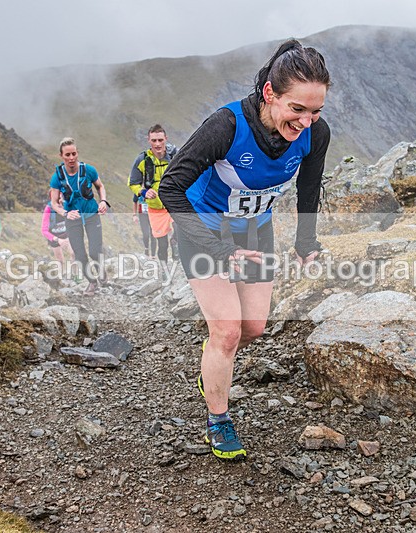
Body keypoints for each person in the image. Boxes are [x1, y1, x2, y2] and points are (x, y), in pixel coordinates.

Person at [159, 39, 331, 460]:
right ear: (270, 93)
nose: (306, 121)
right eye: (297, 109)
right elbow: (171, 188)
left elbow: (309, 188)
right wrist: (218, 249)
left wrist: (305, 242)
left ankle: (212, 364)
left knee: (253, 326)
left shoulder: (315, 134)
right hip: (204, 230)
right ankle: (218, 420)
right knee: (228, 331)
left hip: (255, 231)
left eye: (315, 111)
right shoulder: (226, 126)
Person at [49, 137, 109, 296]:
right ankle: (92, 282)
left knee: (95, 251)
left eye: (74, 154)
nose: (71, 158)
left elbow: (100, 186)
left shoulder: (89, 170)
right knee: (79, 254)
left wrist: (103, 201)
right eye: (67, 155)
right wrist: (66, 213)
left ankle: (101, 270)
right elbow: (54, 203)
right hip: (72, 218)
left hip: (91, 214)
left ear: (77, 153)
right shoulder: (57, 177)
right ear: (61, 156)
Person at [129, 125, 178, 269]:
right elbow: (133, 183)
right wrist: (144, 192)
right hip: (156, 208)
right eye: (154, 140)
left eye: (160, 140)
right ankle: (164, 270)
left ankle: (176, 245)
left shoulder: (175, 156)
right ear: (148, 140)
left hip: (175, 203)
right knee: (162, 243)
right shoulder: (142, 159)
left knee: (181, 231)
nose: (157, 144)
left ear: (166, 139)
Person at [41, 194, 77, 280]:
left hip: (67, 234)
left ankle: (74, 276)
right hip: (54, 237)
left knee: (74, 253)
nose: (58, 200)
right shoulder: (48, 209)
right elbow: (44, 230)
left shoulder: (67, 206)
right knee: (60, 260)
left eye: (60, 197)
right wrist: (57, 240)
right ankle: (60, 279)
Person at [132, 193, 156, 258]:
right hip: (142, 215)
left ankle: (153, 255)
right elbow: (135, 201)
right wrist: (134, 215)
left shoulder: (153, 189)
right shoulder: (138, 190)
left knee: (153, 234)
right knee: (146, 234)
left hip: (153, 215)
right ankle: (146, 249)